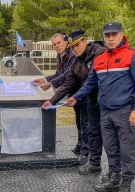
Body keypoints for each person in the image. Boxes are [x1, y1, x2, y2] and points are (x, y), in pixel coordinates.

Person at [68, 22, 135, 192]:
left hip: (125, 111)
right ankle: (114, 178)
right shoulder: (100, 58)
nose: (111, 39)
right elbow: (90, 83)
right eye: (107, 35)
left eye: (114, 35)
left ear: (121, 35)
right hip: (105, 111)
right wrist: (75, 97)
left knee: (126, 150)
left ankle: (126, 185)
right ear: (103, 37)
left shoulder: (132, 56)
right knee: (111, 148)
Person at [41, 30, 105, 171]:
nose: (75, 49)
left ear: (84, 41)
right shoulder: (76, 61)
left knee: (104, 134)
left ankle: (92, 158)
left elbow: (91, 82)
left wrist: (76, 96)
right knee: (91, 130)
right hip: (87, 98)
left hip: (103, 100)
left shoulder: (98, 54)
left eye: (77, 45)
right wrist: (52, 101)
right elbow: (68, 83)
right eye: (72, 47)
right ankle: (93, 163)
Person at [33, 33, 87, 156]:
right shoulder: (60, 55)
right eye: (54, 44)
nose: (57, 46)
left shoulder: (72, 54)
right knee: (79, 121)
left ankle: (86, 151)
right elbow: (58, 73)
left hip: (81, 92)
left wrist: (51, 84)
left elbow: (68, 74)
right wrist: (44, 79)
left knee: (85, 122)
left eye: (59, 42)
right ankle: (81, 145)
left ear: (65, 42)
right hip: (73, 94)